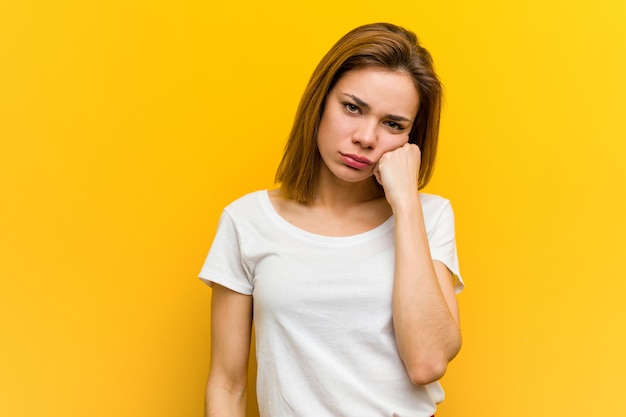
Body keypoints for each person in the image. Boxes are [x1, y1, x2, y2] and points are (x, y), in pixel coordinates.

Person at [199, 22, 464, 417]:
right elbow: (227, 383)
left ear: (412, 139)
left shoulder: (430, 216)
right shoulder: (247, 221)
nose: (367, 137)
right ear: (320, 102)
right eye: (353, 108)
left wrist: (405, 205)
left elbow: (427, 362)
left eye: (393, 124)